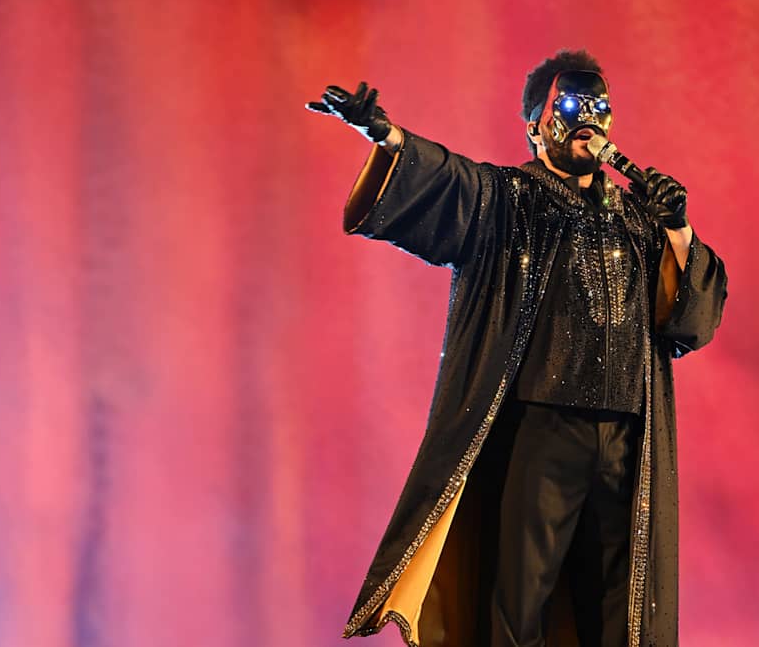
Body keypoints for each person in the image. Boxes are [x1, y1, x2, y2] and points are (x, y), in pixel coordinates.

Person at [306, 49, 727, 647]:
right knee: (521, 596)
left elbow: (689, 323)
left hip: (628, 438)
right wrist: (388, 136)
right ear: (535, 126)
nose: (590, 119)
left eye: (601, 107)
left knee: (621, 605)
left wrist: (678, 228)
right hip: (544, 429)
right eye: (573, 105)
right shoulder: (510, 199)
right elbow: (451, 182)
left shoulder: (637, 219)